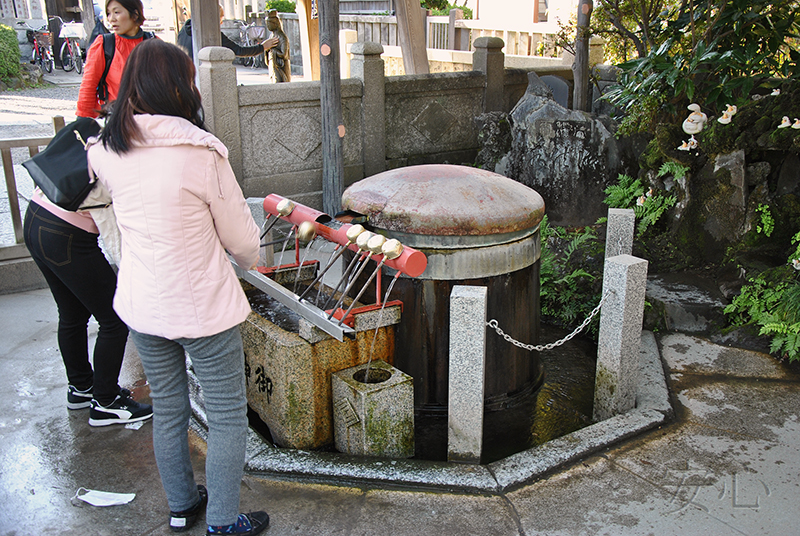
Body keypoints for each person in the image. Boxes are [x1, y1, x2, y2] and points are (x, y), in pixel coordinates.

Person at [87, 39, 267, 535]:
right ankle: (225, 522)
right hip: (202, 307)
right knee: (228, 414)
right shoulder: (199, 152)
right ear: (179, 87)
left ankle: (182, 505)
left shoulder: (107, 150)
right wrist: (251, 261)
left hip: (143, 303)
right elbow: (242, 241)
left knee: (168, 407)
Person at [23, 6, 153, 428]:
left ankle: (80, 388)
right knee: (116, 316)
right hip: (64, 237)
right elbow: (114, 239)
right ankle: (106, 401)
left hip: (35, 221)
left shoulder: (88, 131)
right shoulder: (115, 153)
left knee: (73, 313)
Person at [76, 0, 152, 118]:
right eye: (108, 13)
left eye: (116, 12)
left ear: (135, 14)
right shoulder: (104, 44)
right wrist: (83, 121)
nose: (111, 19)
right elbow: (88, 86)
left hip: (150, 121)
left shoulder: (153, 43)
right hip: (116, 119)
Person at [176, 5, 278, 63]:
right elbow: (239, 50)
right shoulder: (211, 35)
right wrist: (263, 47)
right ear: (214, 17)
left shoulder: (183, 31)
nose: (222, 21)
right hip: (201, 79)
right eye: (221, 17)